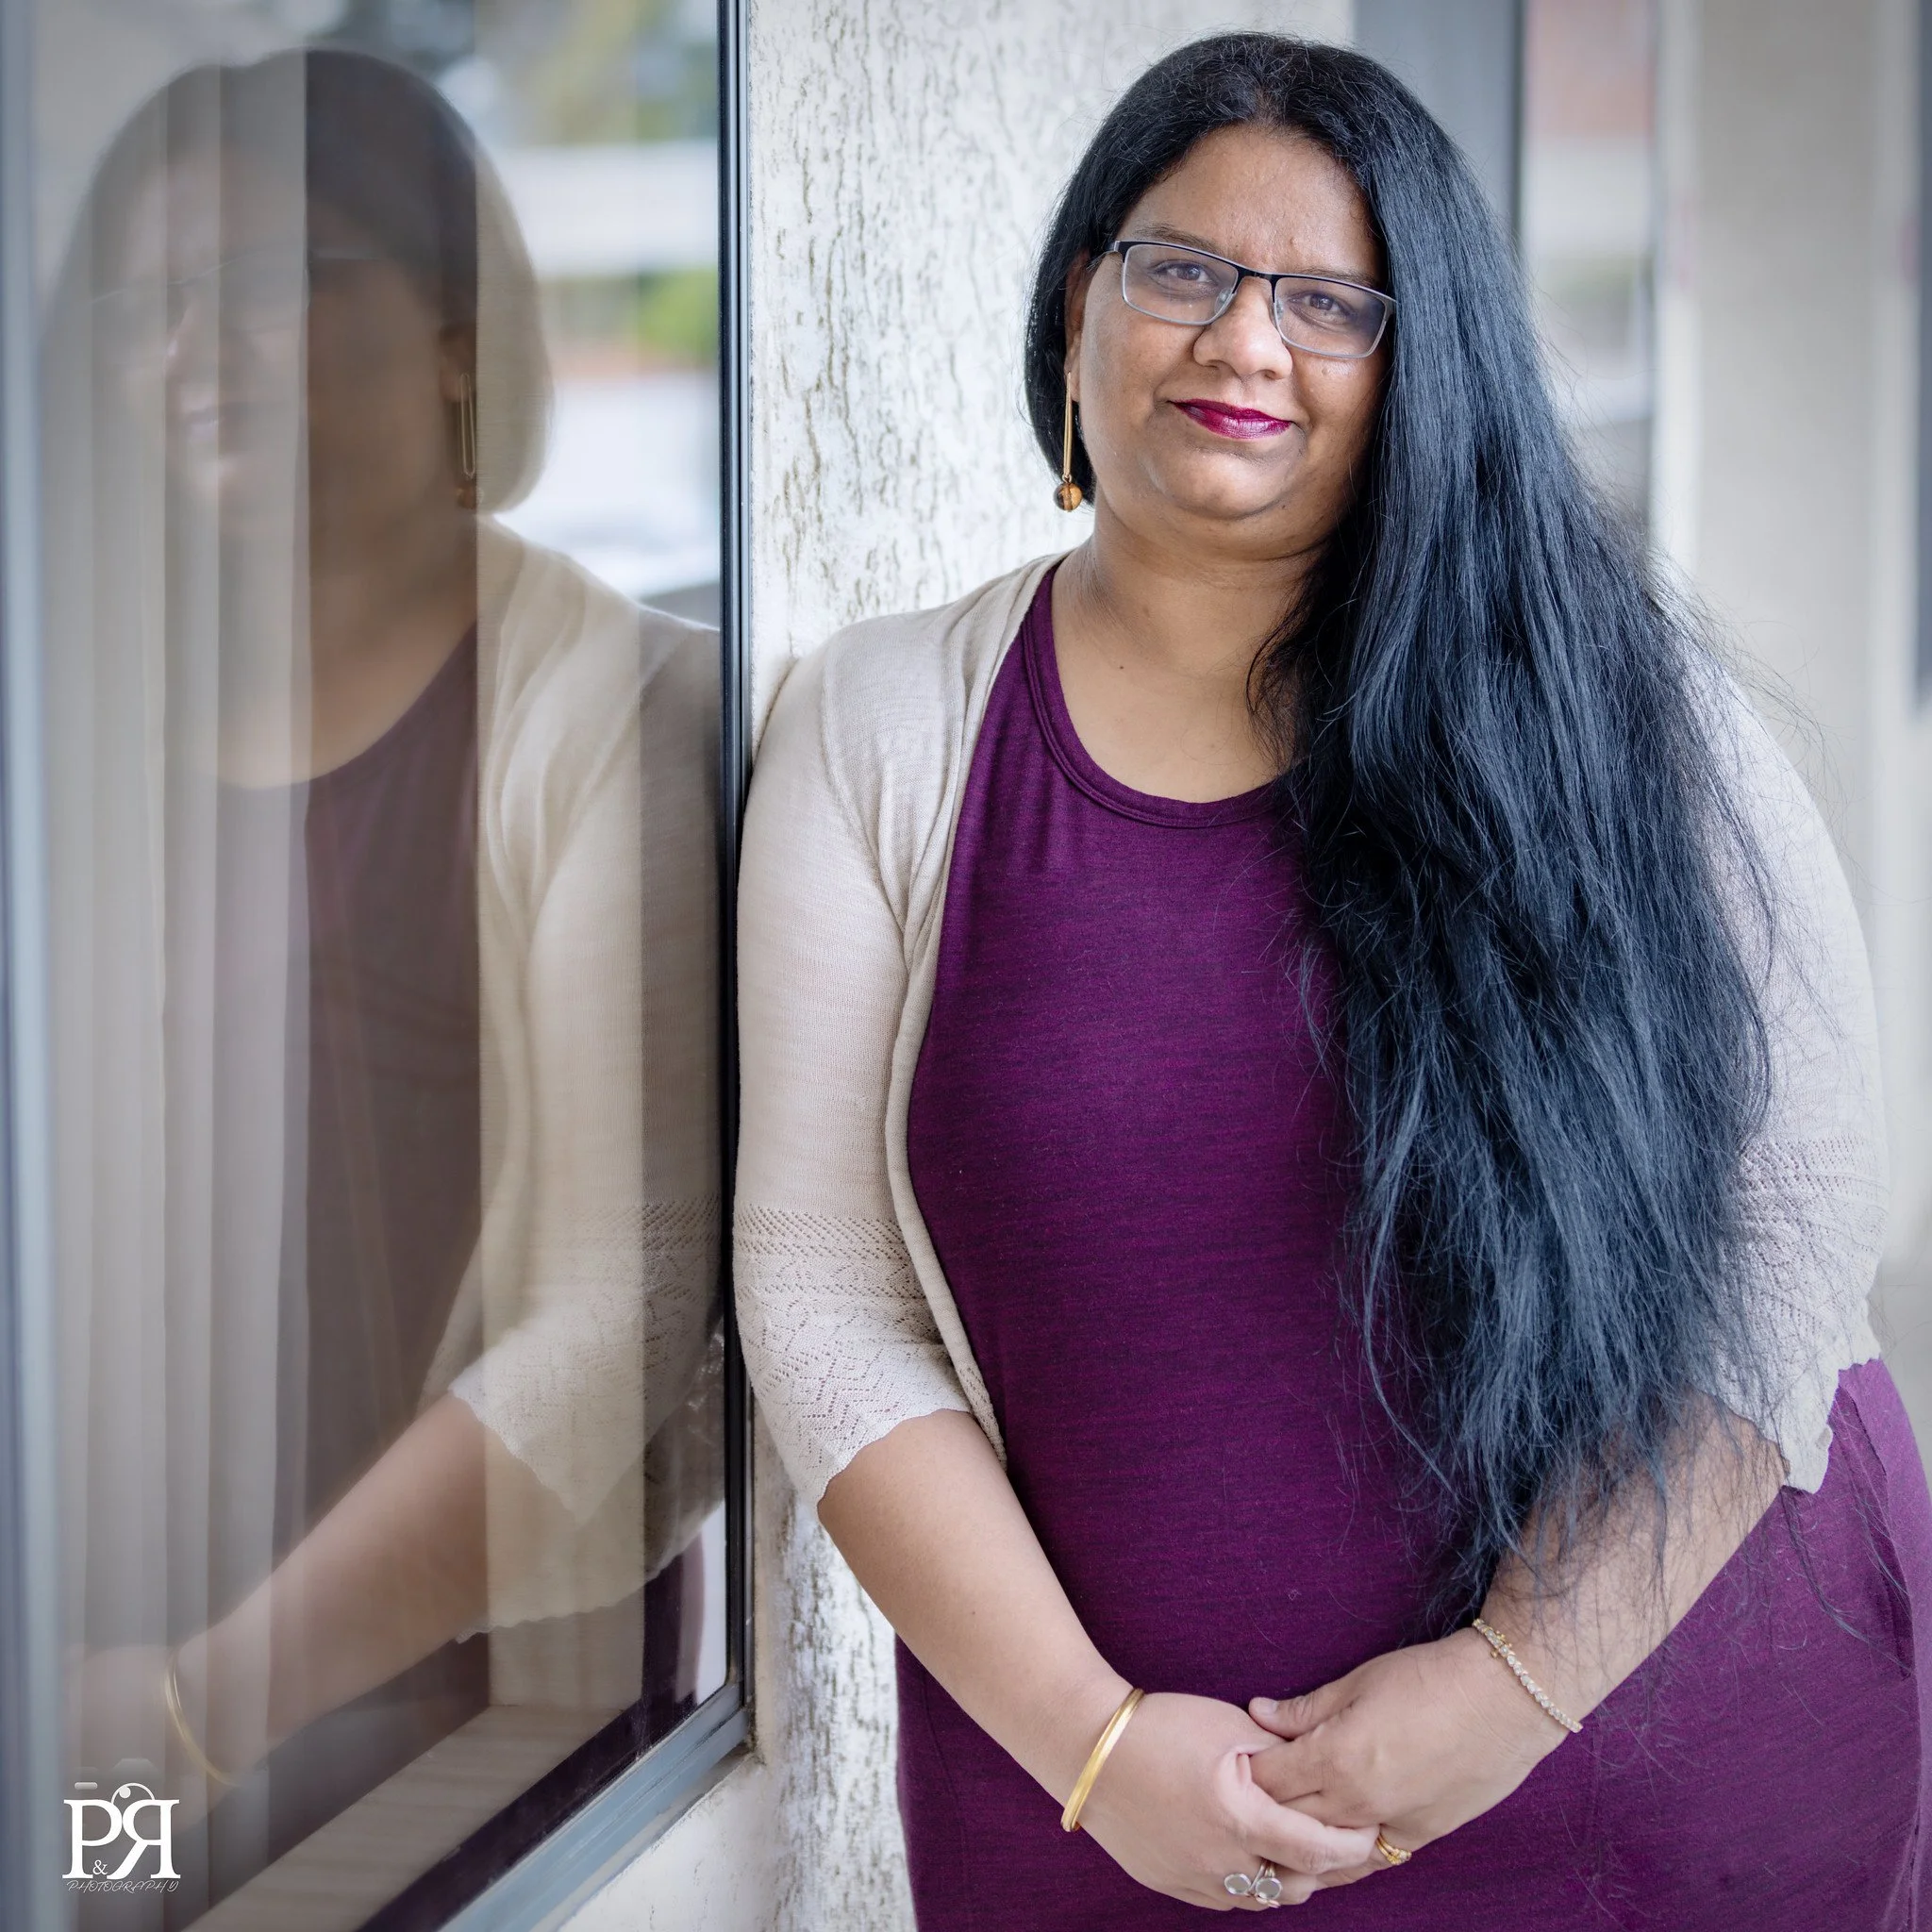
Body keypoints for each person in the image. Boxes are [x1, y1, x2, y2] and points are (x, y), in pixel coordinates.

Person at [735, 32, 1929, 1927]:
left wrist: (1509, 1687)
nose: (1241, 342)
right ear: (1078, 305)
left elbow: (1791, 1245)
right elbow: (818, 1287)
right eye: (1181, 270)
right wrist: (1100, 1745)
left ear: (1424, 364)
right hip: (1103, 1815)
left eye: (1330, 304)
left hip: (1666, 1768)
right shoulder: (881, 728)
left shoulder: (1638, 722)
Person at [44, 48, 722, 1918]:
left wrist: (197, 1707)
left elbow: (618, 1321)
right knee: (117, 1902)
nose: (193, 348)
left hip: (468, 1696)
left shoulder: (616, 715)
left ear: (454, 335)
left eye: (262, 283)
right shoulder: (78, 735)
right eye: (145, 306)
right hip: (110, 1663)